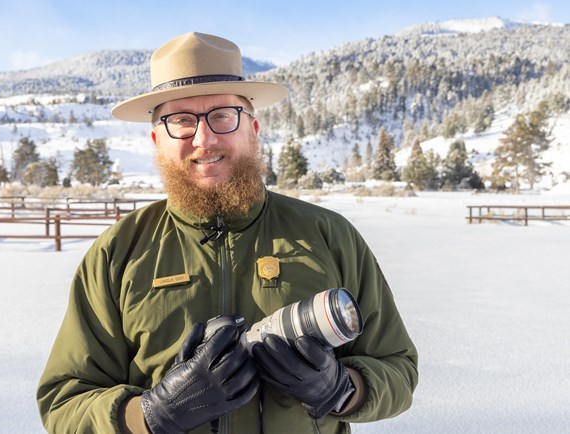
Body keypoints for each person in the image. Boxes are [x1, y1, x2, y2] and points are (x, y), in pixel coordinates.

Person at [36, 32, 418, 434]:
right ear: (156, 139)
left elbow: (397, 368)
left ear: (252, 128)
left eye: (222, 115)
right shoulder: (119, 252)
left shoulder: (328, 236)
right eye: (181, 121)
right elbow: (64, 401)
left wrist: (341, 390)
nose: (204, 139)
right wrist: (150, 415)